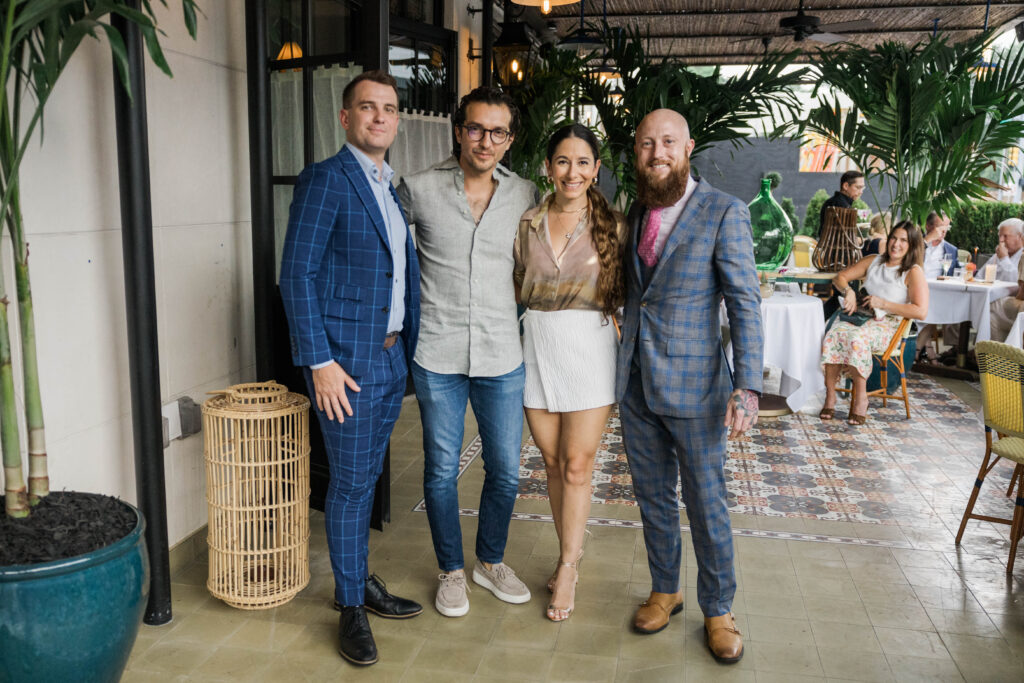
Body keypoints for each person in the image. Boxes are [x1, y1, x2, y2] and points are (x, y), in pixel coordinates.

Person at [279, 70, 423, 667]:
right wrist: (320, 361)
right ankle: (350, 604)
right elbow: (297, 274)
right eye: (368, 107)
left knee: (365, 478)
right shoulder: (326, 179)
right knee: (350, 482)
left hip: (388, 358)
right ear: (346, 117)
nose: (379, 117)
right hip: (344, 365)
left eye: (389, 108)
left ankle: (359, 580)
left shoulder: (389, 186)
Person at [616, 109, 763, 664]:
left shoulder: (725, 211)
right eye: (646, 143)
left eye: (668, 142)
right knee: (653, 496)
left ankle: (719, 609)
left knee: (706, 502)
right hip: (636, 383)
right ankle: (665, 589)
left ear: (688, 147)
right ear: (637, 152)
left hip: (698, 387)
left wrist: (747, 386)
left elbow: (744, 302)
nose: (657, 153)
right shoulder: (636, 210)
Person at [396, 87, 538, 618]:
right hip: (438, 351)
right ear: (458, 131)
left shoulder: (524, 193)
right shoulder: (418, 188)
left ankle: (490, 561)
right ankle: (451, 570)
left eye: (498, 132)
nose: (485, 141)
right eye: (476, 128)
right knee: (440, 471)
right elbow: (381, 249)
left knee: (505, 470)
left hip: (502, 353)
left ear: (510, 139)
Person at [512, 124, 626, 622]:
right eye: (563, 161)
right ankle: (570, 551)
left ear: (595, 169)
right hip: (538, 343)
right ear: (548, 167)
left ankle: (568, 566)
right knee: (553, 463)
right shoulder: (529, 222)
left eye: (582, 162)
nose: (572, 172)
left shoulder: (614, 225)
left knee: (578, 465)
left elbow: (628, 289)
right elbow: (518, 283)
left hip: (590, 346)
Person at [820, 221, 928, 425]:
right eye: (894, 238)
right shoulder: (874, 261)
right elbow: (840, 277)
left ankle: (861, 399)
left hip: (888, 325)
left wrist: (884, 304)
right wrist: (849, 291)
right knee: (834, 334)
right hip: (861, 316)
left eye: (903, 240)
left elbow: (920, 311)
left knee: (856, 339)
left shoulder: (912, 272)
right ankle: (830, 396)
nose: (896, 244)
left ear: (912, 245)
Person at [915, 211, 959, 361]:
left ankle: (918, 350)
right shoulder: (917, 243)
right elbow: (908, 258)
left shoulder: (951, 250)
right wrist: (927, 240)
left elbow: (956, 274)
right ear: (928, 226)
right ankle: (926, 349)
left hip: (938, 293)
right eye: (940, 226)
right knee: (931, 307)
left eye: (947, 227)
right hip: (914, 289)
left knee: (939, 306)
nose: (944, 231)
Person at [989, 218, 1024, 341]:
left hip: (1020, 305)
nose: (1001, 240)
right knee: (991, 317)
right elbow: (979, 277)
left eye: (1005, 236)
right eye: (999, 236)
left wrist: (1004, 259)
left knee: (991, 306)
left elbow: (1021, 290)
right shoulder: (997, 255)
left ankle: (995, 351)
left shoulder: (1022, 256)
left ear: (1020, 237)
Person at [818, 170, 865, 238]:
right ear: (845, 186)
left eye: (862, 188)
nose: (861, 192)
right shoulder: (842, 206)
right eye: (858, 187)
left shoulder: (833, 201)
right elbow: (843, 236)